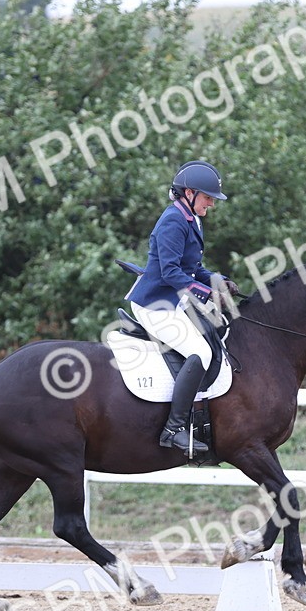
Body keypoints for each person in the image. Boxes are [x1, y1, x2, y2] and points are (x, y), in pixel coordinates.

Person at [125, 160, 240, 454]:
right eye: (207, 197)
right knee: (200, 352)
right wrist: (205, 293)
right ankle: (173, 429)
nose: (211, 204)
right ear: (188, 192)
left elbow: (192, 267)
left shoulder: (191, 218)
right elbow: (171, 273)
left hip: (172, 301)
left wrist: (218, 280)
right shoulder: (173, 221)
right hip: (154, 305)